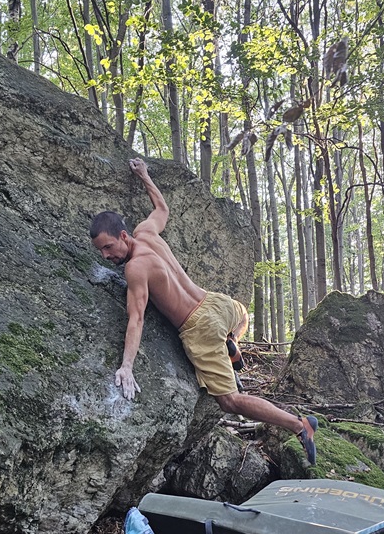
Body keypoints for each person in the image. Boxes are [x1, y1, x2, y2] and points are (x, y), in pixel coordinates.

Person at [90, 158, 318, 464]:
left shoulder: (135, 268)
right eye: (101, 252)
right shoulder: (147, 232)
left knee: (229, 401)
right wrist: (145, 175)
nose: (106, 256)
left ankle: (299, 426)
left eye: (108, 247)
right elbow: (162, 210)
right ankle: (232, 343)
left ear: (122, 236)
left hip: (198, 327)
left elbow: (137, 318)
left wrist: (126, 366)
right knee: (242, 314)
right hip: (217, 304)